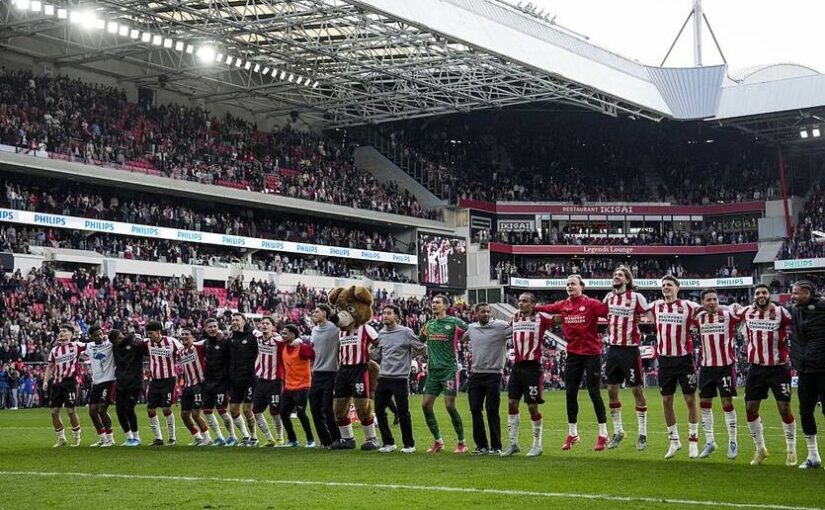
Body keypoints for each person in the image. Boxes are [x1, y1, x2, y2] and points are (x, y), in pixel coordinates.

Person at [536, 275, 610, 451]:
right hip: (573, 355)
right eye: (567, 284)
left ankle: (603, 434)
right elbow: (546, 308)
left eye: (573, 284)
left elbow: (608, 311)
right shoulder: (563, 305)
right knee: (570, 393)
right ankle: (572, 433)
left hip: (592, 354)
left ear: (581, 287)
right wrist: (529, 308)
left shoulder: (592, 304)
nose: (569, 286)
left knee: (594, 392)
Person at [732, 284, 797, 466]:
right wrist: (733, 306)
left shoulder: (781, 313)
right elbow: (730, 314)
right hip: (756, 368)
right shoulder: (746, 312)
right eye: (758, 293)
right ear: (754, 296)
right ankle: (760, 450)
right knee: (750, 409)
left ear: (769, 295)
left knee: (784, 409)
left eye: (764, 292)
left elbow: (797, 323)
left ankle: (791, 450)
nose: (761, 295)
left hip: (779, 368)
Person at [646, 275, 701, 459]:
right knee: (666, 401)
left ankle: (693, 441)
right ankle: (674, 441)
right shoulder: (655, 306)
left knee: (690, 400)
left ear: (677, 288)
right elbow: (637, 312)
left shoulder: (688, 306)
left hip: (684, 360)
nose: (665, 287)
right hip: (665, 361)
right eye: (663, 285)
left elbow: (709, 312)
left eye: (669, 284)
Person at [603, 267, 650, 451]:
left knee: (636, 391)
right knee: (611, 391)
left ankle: (642, 434)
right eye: (614, 274)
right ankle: (618, 431)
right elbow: (598, 315)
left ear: (627, 280)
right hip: (613, 349)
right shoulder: (608, 297)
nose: (616, 276)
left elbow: (650, 317)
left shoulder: (637, 297)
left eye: (620, 275)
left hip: (630, 350)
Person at [501, 293, 554, 457]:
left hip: (532, 367)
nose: (520, 303)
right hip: (517, 367)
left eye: (525, 301)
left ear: (533, 304)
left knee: (532, 406)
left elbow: (561, 318)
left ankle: (537, 445)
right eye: (520, 301)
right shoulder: (515, 319)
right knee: (512, 404)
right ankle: (513, 443)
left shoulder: (541, 318)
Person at [693, 289, 740, 460]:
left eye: (715, 299)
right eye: (708, 300)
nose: (712, 302)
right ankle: (710, 442)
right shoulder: (698, 318)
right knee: (705, 403)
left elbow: (742, 314)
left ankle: (733, 441)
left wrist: (735, 306)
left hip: (725, 366)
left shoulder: (728, 316)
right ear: (703, 302)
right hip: (706, 368)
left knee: (726, 403)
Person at [420, 294, 469, 453]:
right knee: (426, 405)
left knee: (449, 405)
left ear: (445, 306)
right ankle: (438, 441)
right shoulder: (429, 324)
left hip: (449, 370)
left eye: (437, 303)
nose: (434, 305)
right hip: (433, 371)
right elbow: (418, 341)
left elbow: (472, 331)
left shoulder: (454, 322)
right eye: (433, 302)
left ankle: (462, 442)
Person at [374, 304, 426, 453]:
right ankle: (388, 443)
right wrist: (369, 350)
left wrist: (433, 355)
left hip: (400, 378)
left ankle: (409, 445)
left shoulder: (406, 332)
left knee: (403, 412)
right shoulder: (381, 333)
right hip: (383, 377)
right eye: (383, 313)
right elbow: (378, 356)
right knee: (379, 410)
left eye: (389, 313)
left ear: (397, 316)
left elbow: (420, 348)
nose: (385, 316)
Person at [462, 303, 511, 455]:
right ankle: (481, 446)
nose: (486, 314)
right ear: (476, 313)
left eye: (488, 312)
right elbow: (461, 337)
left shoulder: (501, 326)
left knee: (492, 410)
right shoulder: (471, 328)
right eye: (483, 312)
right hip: (475, 374)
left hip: (494, 374)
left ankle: (496, 446)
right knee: (475, 410)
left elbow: (517, 330)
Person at [786, 280, 825, 469]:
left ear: (808, 293)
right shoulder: (794, 311)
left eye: (796, 293)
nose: (793, 296)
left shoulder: (822, 307)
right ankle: (813, 456)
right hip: (805, 370)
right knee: (805, 412)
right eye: (792, 293)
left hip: (823, 369)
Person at [42, 324, 85, 447]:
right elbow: (50, 366)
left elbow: (92, 347)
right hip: (57, 383)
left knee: (71, 411)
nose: (61, 333)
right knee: (54, 411)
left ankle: (76, 437)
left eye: (64, 331)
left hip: (70, 382)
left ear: (71, 334)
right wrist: (45, 381)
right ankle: (61, 438)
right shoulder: (54, 350)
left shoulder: (77, 346)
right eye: (60, 331)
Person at [143, 321, 183, 446]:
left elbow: (183, 353)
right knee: (150, 409)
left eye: (151, 333)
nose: (149, 336)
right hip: (155, 381)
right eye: (148, 334)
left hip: (169, 380)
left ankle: (172, 438)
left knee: (166, 408)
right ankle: (158, 438)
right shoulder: (146, 343)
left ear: (159, 331)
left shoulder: (172, 342)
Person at [308, 304, 340, 448]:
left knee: (327, 408)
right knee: (314, 408)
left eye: (317, 311)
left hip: (331, 372)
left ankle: (336, 438)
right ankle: (325, 440)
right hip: (317, 373)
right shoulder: (314, 330)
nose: (314, 313)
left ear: (325, 313)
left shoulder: (335, 329)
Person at [200, 317, 235, 446]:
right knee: (207, 410)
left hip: (221, 382)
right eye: (210, 327)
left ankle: (232, 436)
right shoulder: (205, 343)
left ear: (218, 327)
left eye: (215, 326)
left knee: (221, 409)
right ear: (206, 329)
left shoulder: (225, 342)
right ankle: (219, 438)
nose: (213, 329)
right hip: (208, 381)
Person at [280, 324, 316, 447]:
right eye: (282, 333)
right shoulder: (284, 346)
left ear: (293, 335)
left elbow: (313, 353)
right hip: (288, 387)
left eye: (285, 333)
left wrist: (302, 342)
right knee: (283, 413)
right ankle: (292, 440)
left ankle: (310, 440)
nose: (282, 335)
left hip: (302, 387)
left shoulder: (302, 348)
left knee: (301, 413)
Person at [252, 316, 285, 447]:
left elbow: (294, 340)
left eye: (267, 323)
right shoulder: (258, 337)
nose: (264, 325)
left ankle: (279, 438)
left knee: (275, 411)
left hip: (275, 381)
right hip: (261, 381)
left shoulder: (278, 340)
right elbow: (250, 329)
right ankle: (269, 438)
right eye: (262, 323)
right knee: (256, 411)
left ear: (273, 327)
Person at [227, 312, 259, 446]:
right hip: (235, 380)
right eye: (233, 320)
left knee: (247, 409)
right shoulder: (230, 339)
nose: (234, 322)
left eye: (237, 320)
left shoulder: (252, 337)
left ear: (244, 322)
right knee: (233, 409)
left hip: (249, 379)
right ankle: (245, 436)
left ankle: (254, 437)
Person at [177, 327, 211, 446]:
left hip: (199, 385)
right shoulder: (180, 351)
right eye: (182, 334)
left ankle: (207, 438)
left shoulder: (199, 345)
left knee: (196, 414)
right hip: (187, 386)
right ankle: (197, 436)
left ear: (193, 336)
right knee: (184, 415)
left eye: (187, 334)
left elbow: (210, 340)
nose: (184, 336)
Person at [111, 328, 145, 446]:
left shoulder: (134, 342)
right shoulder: (114, 348)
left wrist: (139, 336)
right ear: (114, 342)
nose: (121, 339)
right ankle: (129, 437)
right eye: (118, 339)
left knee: (129, 409)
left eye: (121, 336)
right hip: (121, 383)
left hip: (134, 383)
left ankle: (137, 437)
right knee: (119, 410)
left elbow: (144, 345)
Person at [86, 325, 117, 447]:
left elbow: (122, 339)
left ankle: (110, 438)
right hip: (96, 382)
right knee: (92, 411)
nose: (99, 336)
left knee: (101, 409)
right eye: (96, 335)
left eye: (101, 333)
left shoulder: (110, 343)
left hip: (109, 381)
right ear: (91, 337)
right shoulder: (89, 346)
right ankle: (102, 438)